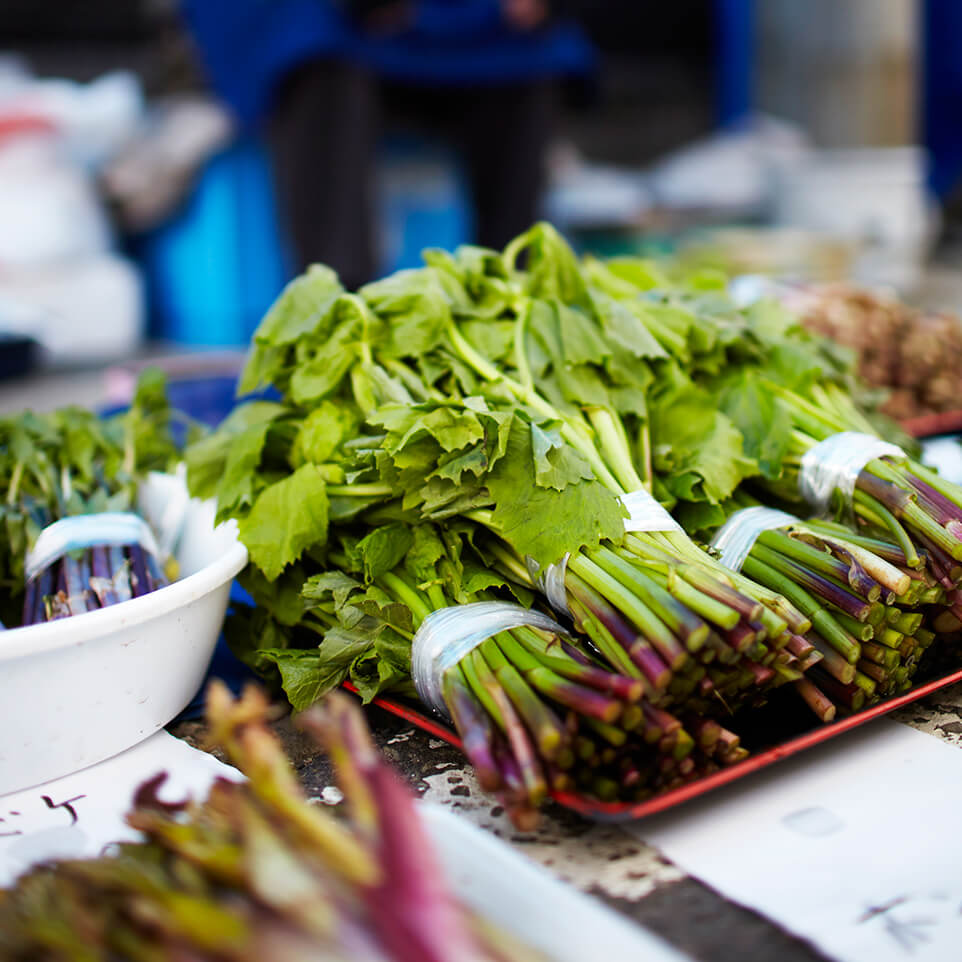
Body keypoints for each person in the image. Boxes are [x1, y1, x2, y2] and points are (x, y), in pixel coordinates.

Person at [180, 0, 594, 288]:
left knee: (532, 65)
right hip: (340, 26)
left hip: (476, 28)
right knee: (314, 56)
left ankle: (512, 289)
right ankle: (339, 298)